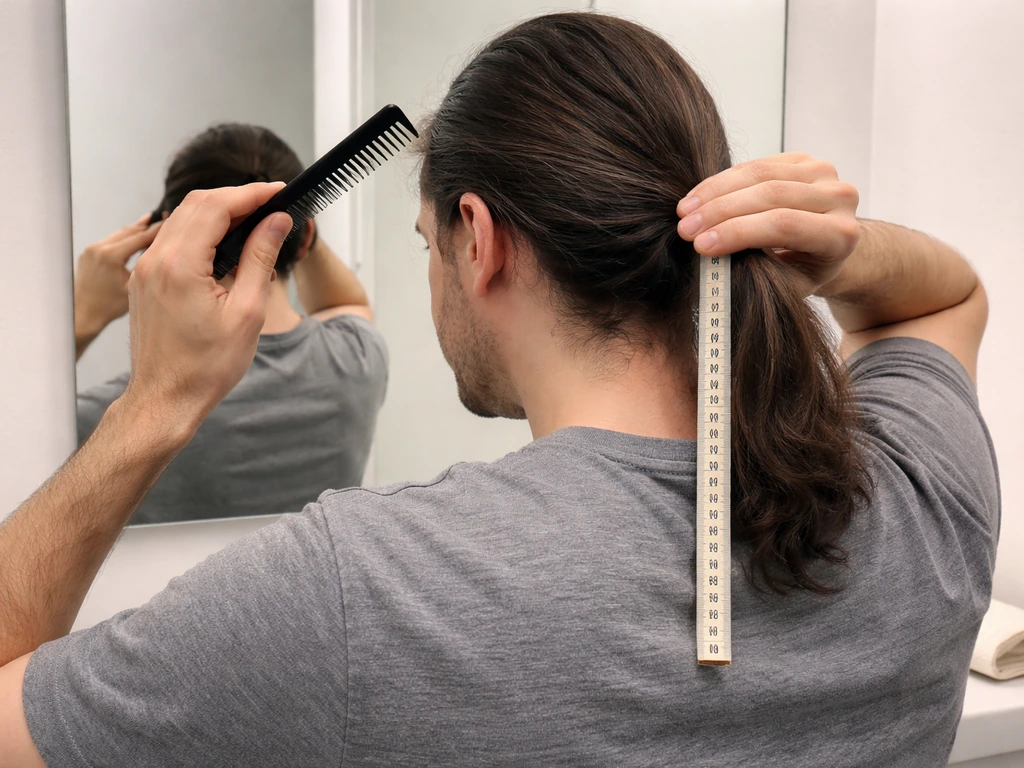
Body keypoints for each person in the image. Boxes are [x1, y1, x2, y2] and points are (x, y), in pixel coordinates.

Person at [0, 12, 997, 767]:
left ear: (479, 241)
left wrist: (154, 401)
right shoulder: (917, 499)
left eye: (430, 244)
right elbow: (943, 298)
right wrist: (835, 246)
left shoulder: (351, 594)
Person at [72, 124, 388, 523]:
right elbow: (346, 301)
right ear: (305, 239)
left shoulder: (113, 418)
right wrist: (288, 220)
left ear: (169, 239)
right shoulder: (357, 360)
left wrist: (82, 317)